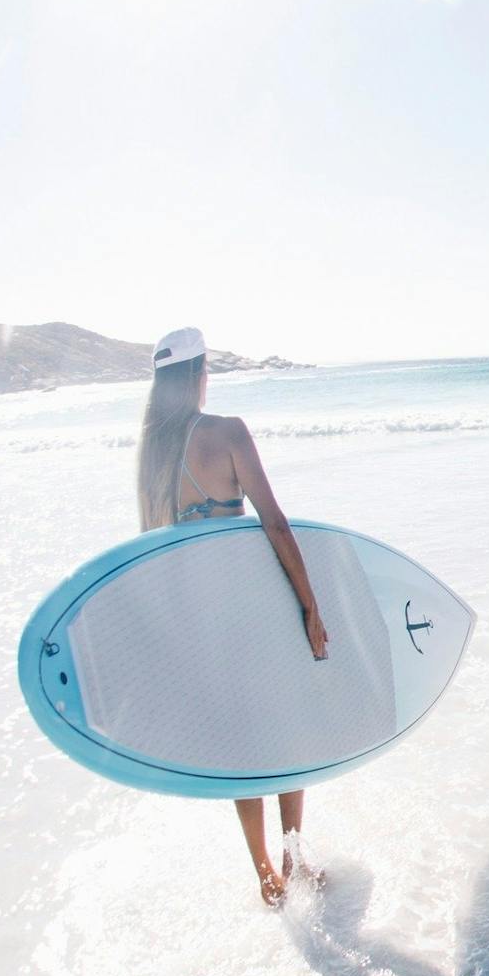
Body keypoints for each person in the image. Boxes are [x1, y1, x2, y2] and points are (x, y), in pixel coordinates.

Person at [137, 327, 329, 906]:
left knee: (241, 746)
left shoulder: (151, 456)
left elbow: (150, 553)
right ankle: (295, 859)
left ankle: (265, 873)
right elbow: (273, 521)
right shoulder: (225, 432)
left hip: (196, 622)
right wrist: (310, 604)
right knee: (286, 731)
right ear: (200, 374)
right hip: (249, 610)